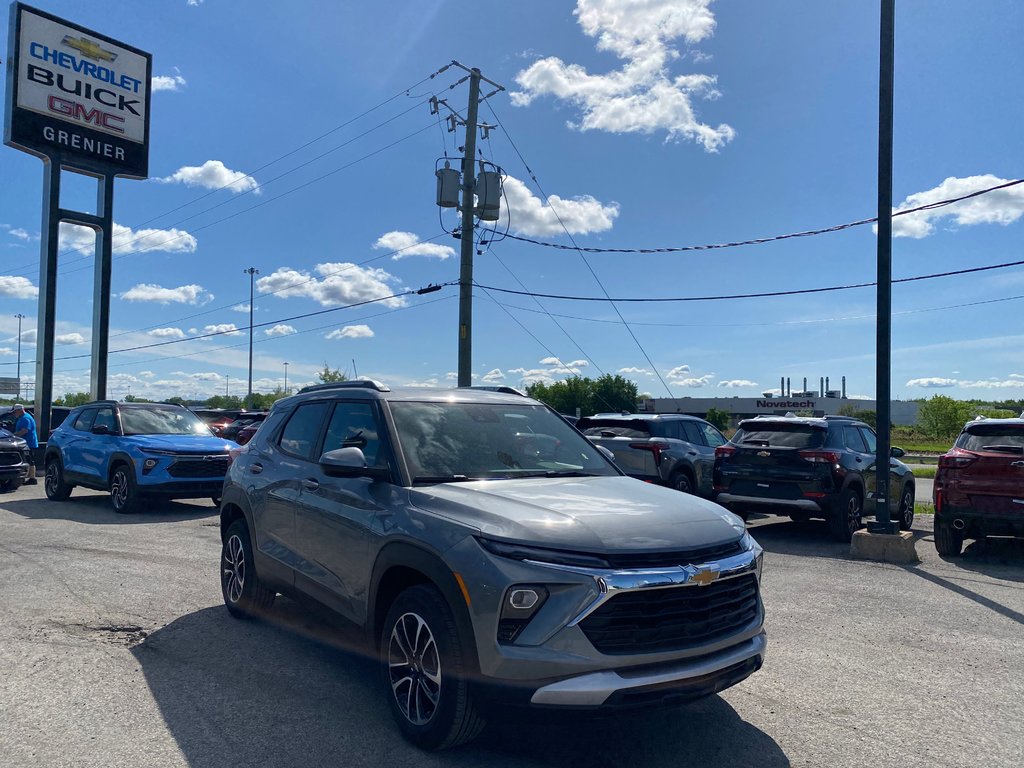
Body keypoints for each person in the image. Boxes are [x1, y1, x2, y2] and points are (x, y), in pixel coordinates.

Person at [12, 404, 38, 485]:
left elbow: (24, 431)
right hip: (27, 443)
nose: (14, 414)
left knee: (29, 460)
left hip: (29, 443)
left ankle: (32, 478)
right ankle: (29, 477)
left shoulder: (25, 418)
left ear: (20, 410)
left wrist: (13, 435)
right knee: (28, 460)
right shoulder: (23, 417)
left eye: (15, 412)